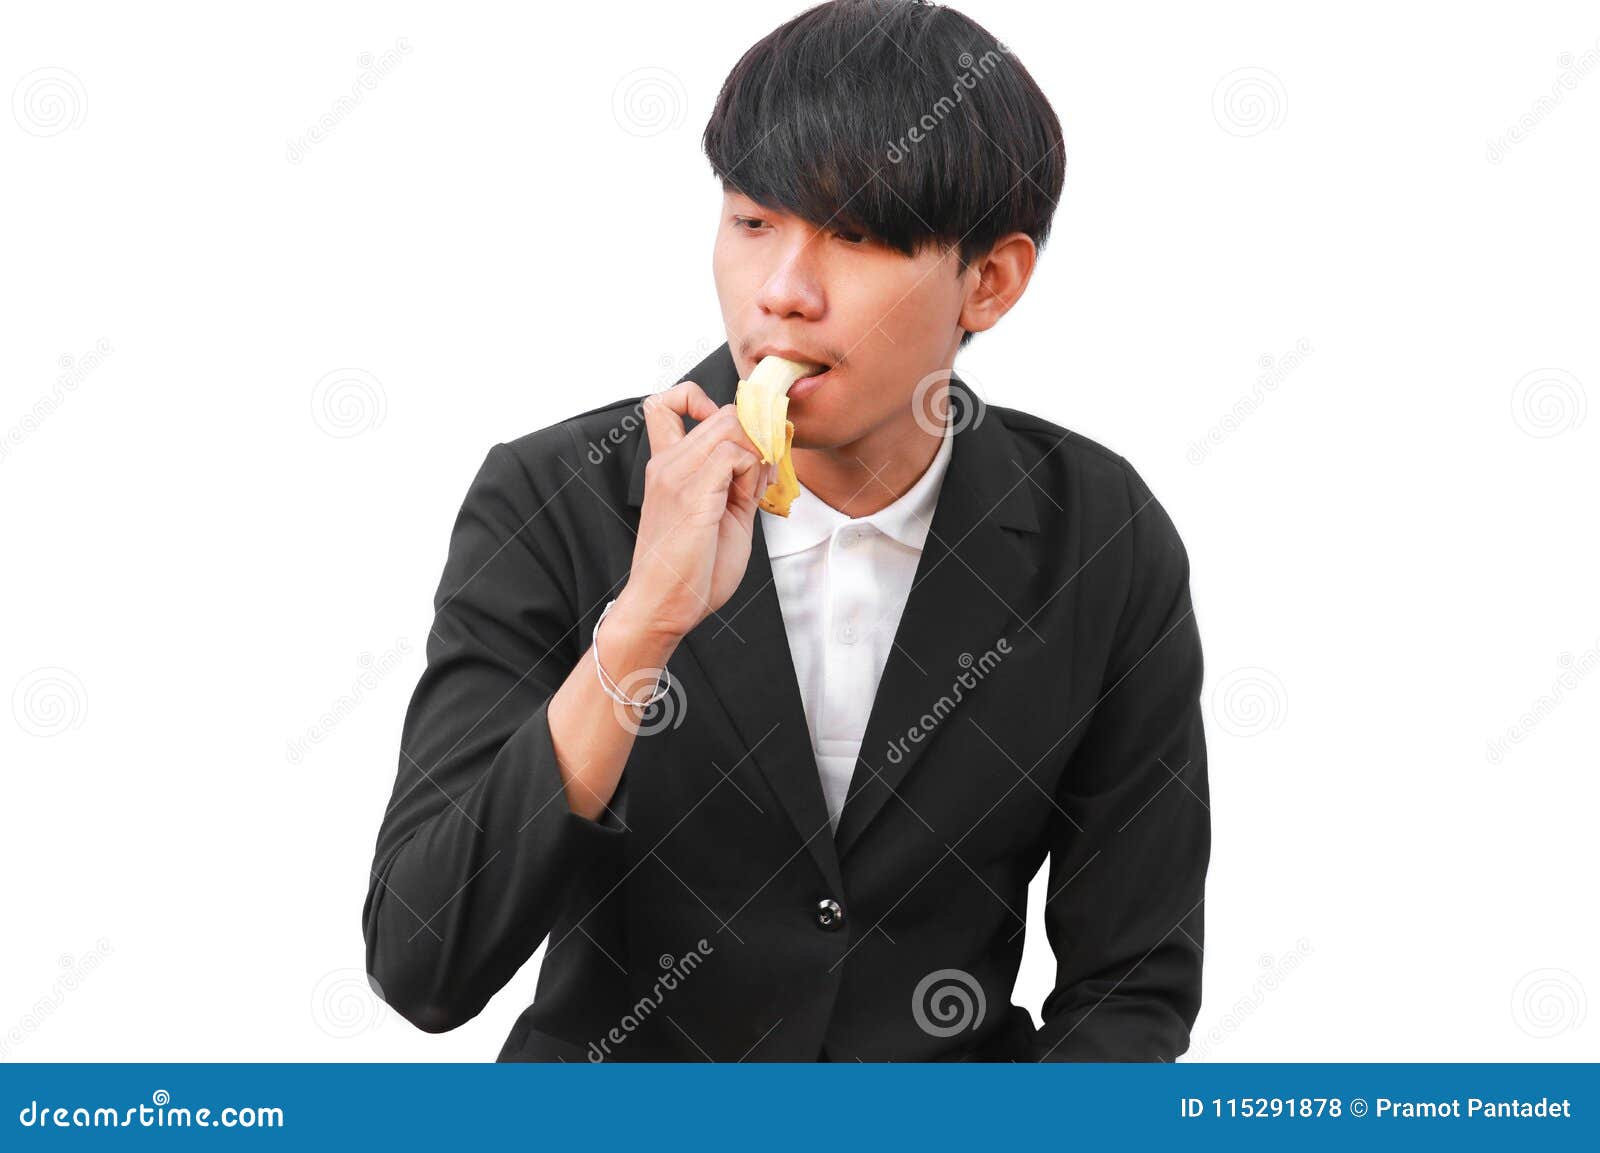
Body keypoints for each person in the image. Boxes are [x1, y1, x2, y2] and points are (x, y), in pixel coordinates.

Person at [363, 0, 1209, 1061]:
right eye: (753, 222)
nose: (782, 292)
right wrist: (640, 629)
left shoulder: (1099, 531)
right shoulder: (557, 496)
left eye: (854, 237)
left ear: (988, 281)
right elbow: (421, 963)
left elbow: (1129, 986)